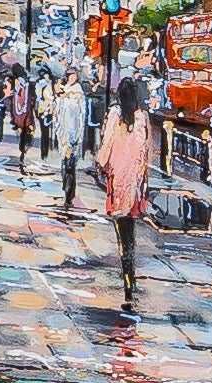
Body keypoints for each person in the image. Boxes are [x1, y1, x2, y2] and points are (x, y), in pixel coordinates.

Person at [96, 73, 150, 303]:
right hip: (134, 181)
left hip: (117, 178)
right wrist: (143, 178)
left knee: (121, 228)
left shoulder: (115, 115)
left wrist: (101, 163)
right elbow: (145, 151)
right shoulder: (142, 117)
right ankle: (130, 271)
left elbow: (107, 144)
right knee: (131, 228)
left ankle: (126, 271)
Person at [52, 56, 87, 212]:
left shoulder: (78, 93)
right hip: (63, 133)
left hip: (73, 134)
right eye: (70, 75)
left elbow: (82, 115)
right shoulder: (62, 91)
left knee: (70, 165)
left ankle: (69, 194)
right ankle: (66, 191)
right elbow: (56, 113)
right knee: (64, 164)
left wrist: (79, 136)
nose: (72, 78)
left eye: (74, 75)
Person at [8, 60, 34, 167]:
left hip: (20, 109)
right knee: (25, 130)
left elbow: (18, 96)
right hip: (24, 109)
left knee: (23, 131)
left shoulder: (18, 82)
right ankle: (23, 151)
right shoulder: (25, 82)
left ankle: (22, 151)